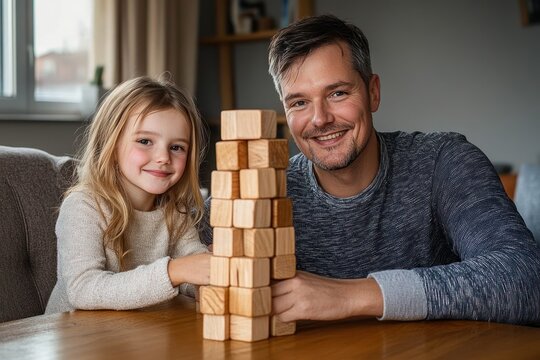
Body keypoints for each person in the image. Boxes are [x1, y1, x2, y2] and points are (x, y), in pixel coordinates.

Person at [201, 14, 540, 325]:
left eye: (337, 93)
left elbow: (526, 278)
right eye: (299, 102)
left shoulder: (444, 161)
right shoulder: (259, 190)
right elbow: (182, 262)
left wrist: (350, 295)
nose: (319, 119)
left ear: (373, 92)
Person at [46, 76, 210, 314]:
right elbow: (82, 289)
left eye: (177, 147)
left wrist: (206, 274)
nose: (164, 157)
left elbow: (189, 268)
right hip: (78, 342)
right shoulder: (83, 206)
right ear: (111, 145)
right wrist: (175, 271)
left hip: (139, 337)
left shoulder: (175, 212)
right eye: (145, 141)